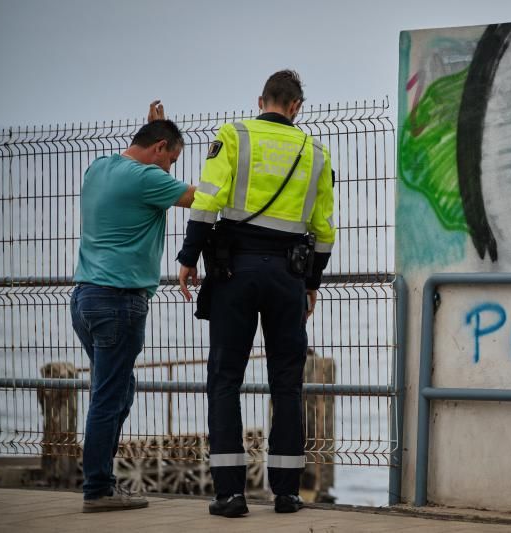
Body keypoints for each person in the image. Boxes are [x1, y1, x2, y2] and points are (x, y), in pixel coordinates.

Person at [176, 70, 335, 518]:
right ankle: (285, 493)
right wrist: (311, 283)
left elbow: (207, 201)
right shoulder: (316, 153)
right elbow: (324, 229)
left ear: (261, 99)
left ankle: (230, 495)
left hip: (234, 272)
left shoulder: (233, 135)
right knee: (287, 382)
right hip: (288, 276)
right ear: (296, 107)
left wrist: (189, 257)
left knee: (225, 379)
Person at [72, 101, 196, 513]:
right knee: (109, 396)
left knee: (118, 389)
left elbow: (141, 164)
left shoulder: (99, 167)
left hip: (85, 299)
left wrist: (155, 133)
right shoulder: (148, 179)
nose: (170, 171)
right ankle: (98, 488)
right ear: (160, 148)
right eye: (171, 159)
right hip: (119, 302)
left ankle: (101, 479)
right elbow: (200, 198)